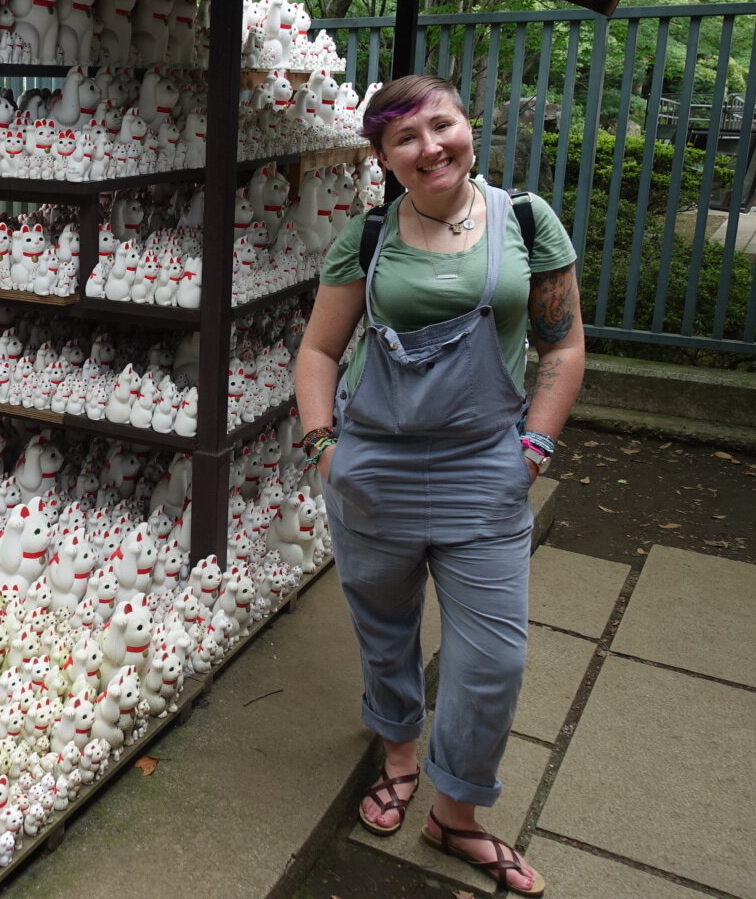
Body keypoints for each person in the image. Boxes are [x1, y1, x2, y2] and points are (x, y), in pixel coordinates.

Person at [294, 75, 584, 896]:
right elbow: (318, 351)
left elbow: (562, 347)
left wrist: (532, 448)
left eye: (441, 126)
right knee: (385, 630)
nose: (431, 148)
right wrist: (325, 449)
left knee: (493, 659)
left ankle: (456, 813)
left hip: (483, 471)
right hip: (373, 471)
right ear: (384, 159)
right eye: (405, 139)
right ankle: (396, 756)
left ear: (467, 124)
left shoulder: (527, 221)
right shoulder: (370, 236)